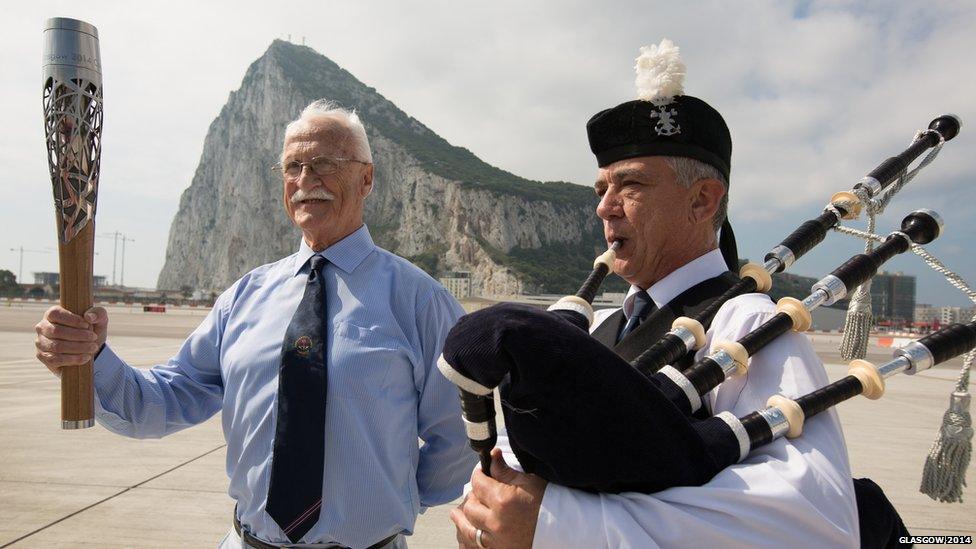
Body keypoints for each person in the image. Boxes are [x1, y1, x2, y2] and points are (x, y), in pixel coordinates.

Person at [450, 40, 861, 548]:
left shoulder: (748, 325)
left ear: (701, 200)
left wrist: (557, 525)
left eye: (630, 185)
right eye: (600, 189)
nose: (605, 208)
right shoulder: (597, 327)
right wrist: (489, 514)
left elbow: (816, 521)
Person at [35, 99, 476, 548]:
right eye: (292, 166)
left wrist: (391, 501)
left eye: (324, 163)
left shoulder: (421, 302)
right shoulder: (244, 298)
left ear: (366, 178)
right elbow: (163, 400)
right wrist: (91, 357)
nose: (305, 180)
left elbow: (457, 439)